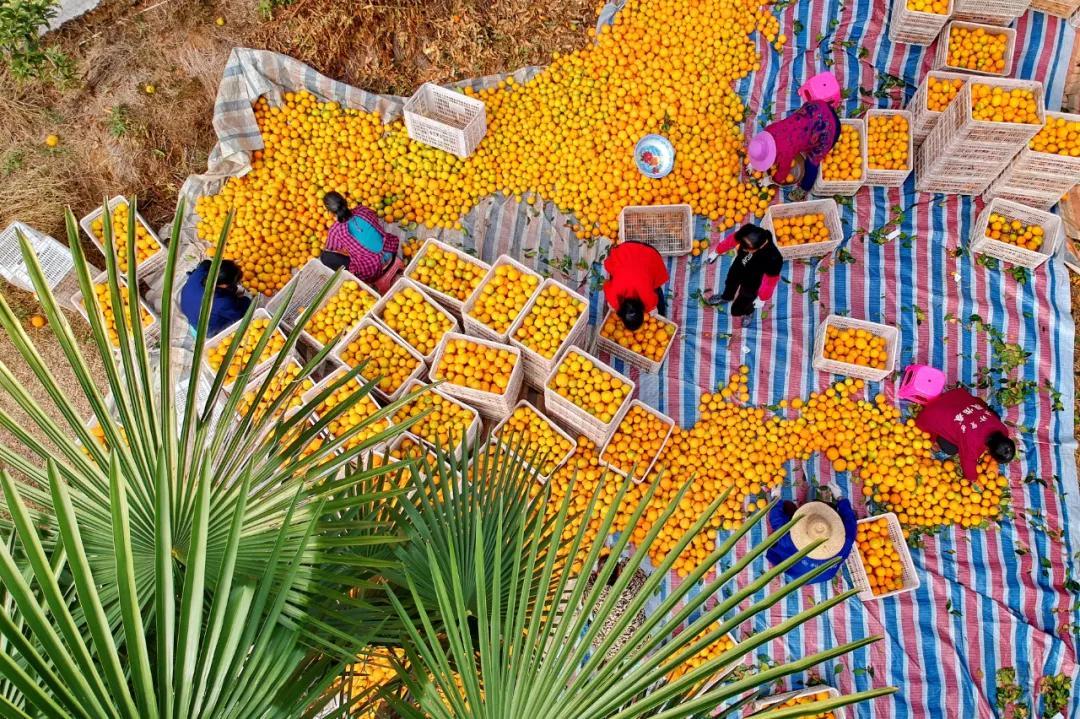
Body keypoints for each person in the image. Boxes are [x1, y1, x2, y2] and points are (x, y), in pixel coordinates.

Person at [915, 387, 1016, 481]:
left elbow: (1003, 438)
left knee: (994, 415)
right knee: (951, 449)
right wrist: (975, 481)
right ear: (989, 450)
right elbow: (968, 465)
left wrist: (993, 462)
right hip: (935, 411)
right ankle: (939, 436)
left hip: (956, 397)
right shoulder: (973, 445)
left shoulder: (1002, 428)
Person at [748, 98, 841, 192]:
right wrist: (753, 162)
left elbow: (782, 173)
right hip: (817, 107)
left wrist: (771, 180)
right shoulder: (769, 130)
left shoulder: (784, 154)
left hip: (828, 128)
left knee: (812, 163)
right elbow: (762, 148)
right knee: (801, 132)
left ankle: (804, 189)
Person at [322, 191, 401, 291]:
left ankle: (374, 280)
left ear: (330, 213)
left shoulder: (336, 231)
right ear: (345, 201)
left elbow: (330, 248)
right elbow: (374, 220)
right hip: (390, 249)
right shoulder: (362, 210)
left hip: (373, 269)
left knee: (325, 257)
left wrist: (349, 247)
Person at [765, 498, 856, 584]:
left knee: (788, 508)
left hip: (798, 574)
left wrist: (776, 498)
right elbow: (851, 523)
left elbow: (776, 521)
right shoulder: (845, 542)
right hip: (826, 575)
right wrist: (841, 500)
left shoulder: (788, 540)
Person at [704, 224, 783, 318]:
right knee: (731, 281)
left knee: (746, 298)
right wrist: (717, 251)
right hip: (740, 265)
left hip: (754, 277)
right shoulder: (748, 230)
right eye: (743, 246)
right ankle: (726, 297)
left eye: (748, 249)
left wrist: (762, 298)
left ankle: (748, 311)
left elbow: (769, 282)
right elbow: (732, 240)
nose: (743, 249)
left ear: (760, 247)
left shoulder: (774, 258)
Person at [602, 241, 670, 330]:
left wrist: (654, 311)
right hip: (624, 250)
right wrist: (612, 304)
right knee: (616, 276)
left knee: (655, 288)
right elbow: (606, 285)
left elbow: (652, 306)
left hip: (647, 253)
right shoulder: (613, 297)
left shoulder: (648, 297)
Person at [179, 259, 252, 337]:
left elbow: (206, 262)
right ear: (224, 285)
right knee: (242, 310)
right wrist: (246, 300)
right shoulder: (223, 301)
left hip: (188, 308)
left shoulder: (201, 271)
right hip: (205, 329)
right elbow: (238, 313)